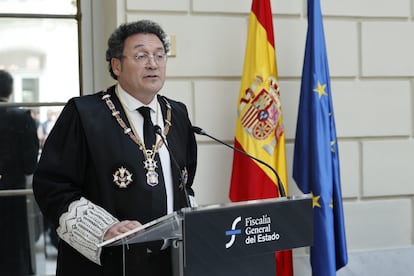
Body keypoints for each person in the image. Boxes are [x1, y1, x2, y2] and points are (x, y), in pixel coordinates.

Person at [33, 20, 198, 276]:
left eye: (159, 56)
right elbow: (53, 187)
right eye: (141, 55)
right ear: (116, 65)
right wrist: (104, 229)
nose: (153, 64)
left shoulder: (177, 113)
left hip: (169, 262)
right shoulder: (84, 114)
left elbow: (185, 183)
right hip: (104, 264)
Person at [0, 69, 40, 275]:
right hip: (13, 190)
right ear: (10, 89)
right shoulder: (21, 117)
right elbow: (30, 164)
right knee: (13, 246)